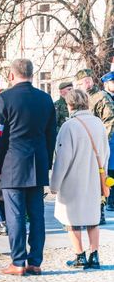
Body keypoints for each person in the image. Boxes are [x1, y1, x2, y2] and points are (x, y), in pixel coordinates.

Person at [0, 59, 56, 276]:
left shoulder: (4, 98)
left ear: (11, 75)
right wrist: (47, 162)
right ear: (32, 74)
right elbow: (51, 135)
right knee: (37, 216)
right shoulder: (46, 99)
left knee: (15, 215)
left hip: (12, 163)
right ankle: (35, 262)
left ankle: (18, 262)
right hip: (37, 163)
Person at [50, 89, 109, 269]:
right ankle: (95, 256)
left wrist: (54, 184)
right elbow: (105, 153)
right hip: (94, 178)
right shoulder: (98, 123)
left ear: (70, 104)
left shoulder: (69, 126)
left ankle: (79, 255)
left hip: (72, 180)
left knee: (71, 219)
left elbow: (62, 158)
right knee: (93, 218)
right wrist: (104, 177)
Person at [75, 68, 114, 224]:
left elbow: (110, 120)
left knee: (99, 179)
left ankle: (99, 212)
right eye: (79, 83)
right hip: (84, 146)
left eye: (83, 82)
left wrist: (102, 142)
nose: (81, 85)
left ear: (89, 81)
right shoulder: (82, 98)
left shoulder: (101, 97)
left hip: (97, 147)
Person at [99, 71, 114, 212]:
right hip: (108, 139)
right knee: (109, 170)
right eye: (113, 82)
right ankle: (109, 200)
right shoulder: (103, 98)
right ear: (106, 84)